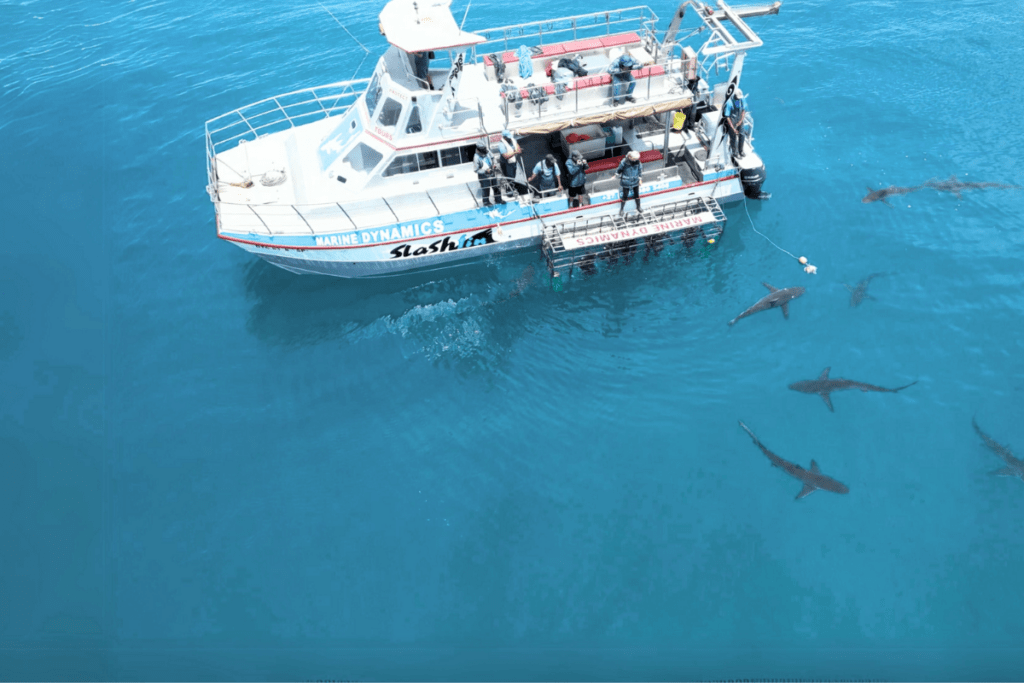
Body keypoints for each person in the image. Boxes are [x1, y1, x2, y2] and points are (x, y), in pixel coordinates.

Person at [473, 139, 503, 207]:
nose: (485, 150)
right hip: (484, 175)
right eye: (483, 149)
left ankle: (498, 199)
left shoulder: (487, 151)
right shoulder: (476, 157)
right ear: (479, 149)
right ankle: (486, 202)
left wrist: (494, 164)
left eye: (485, 148)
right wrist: (485, 171)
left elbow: (493, 158)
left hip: (492, 172)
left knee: (496, 186)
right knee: (486, 188)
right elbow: (476, 170)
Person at [498, 130, 527, 198]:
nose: (510, 138)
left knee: (513, 177)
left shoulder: (512, 140)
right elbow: (506, 156)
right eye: (508, 137)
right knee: (509, 178)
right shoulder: (501, 145)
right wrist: (515, 152)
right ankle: (510, 193)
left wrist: (516, 151)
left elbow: (518, 149)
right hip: (506, 164)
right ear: (504, 137)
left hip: (513, 162)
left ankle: (514, 190)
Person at [616, 150, 643, 216]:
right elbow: (619, 170)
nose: (635, 160)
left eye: (636, 159)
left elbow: (640, 171)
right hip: (626, 181)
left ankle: (638, 206)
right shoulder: (624, 162)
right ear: (630, 157)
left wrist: (640, 179)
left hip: (635, 180)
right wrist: (616, 175)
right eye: (634, 159)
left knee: (637, 194)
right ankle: (621, 209)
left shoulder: (638, 162)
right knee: (625, 196)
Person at [723, 88, 747, 159]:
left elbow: (743, 111)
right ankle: (735, 153)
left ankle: (741, 151)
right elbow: (727, 117)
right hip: (732, 122)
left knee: (742, 135)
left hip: (740, 121)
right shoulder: (729, 103)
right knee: (733, 138)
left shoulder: (741, 100)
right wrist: (733, 128)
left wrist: (741, 121)